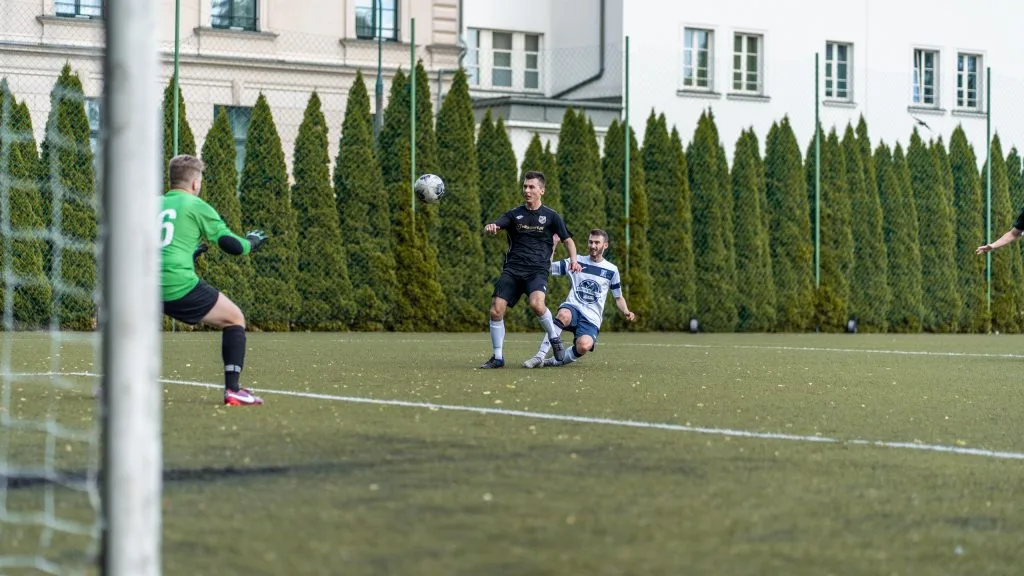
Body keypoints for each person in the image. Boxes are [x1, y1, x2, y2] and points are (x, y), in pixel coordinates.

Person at [161, 154, 268, 406]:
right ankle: (233, 390)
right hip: (176, 284)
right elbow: (230, 244)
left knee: (129, 329)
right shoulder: (196, 206)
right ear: (196, 183)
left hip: (140, 284)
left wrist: (189, 253)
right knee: (234, 319)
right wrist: (251, 243)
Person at [480, 170, 581, 368]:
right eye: (525, 186)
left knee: (537, 304)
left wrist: (574, 260)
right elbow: (494, 226)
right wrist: (490, 228)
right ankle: (498, 358)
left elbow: (568, 240)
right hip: (513, 270)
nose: (527, 190)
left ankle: (554, 338)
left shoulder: (552, 217)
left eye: (531, 187)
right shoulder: (513, 214)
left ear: (541, 190)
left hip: (537, 271)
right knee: (495, 310)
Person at [523, 228, 636, 368]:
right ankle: (539, 356)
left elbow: (618, 297)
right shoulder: (577, 261)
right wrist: (553, 245)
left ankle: (554, 361)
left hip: (591, 319)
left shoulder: (611, 270)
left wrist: (626, 311)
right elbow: (547, 268)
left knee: (584, 346)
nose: (593, 246)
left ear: (605, 245)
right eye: (590, 242)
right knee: (563, 314)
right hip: (573, 309)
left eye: (597, 243)